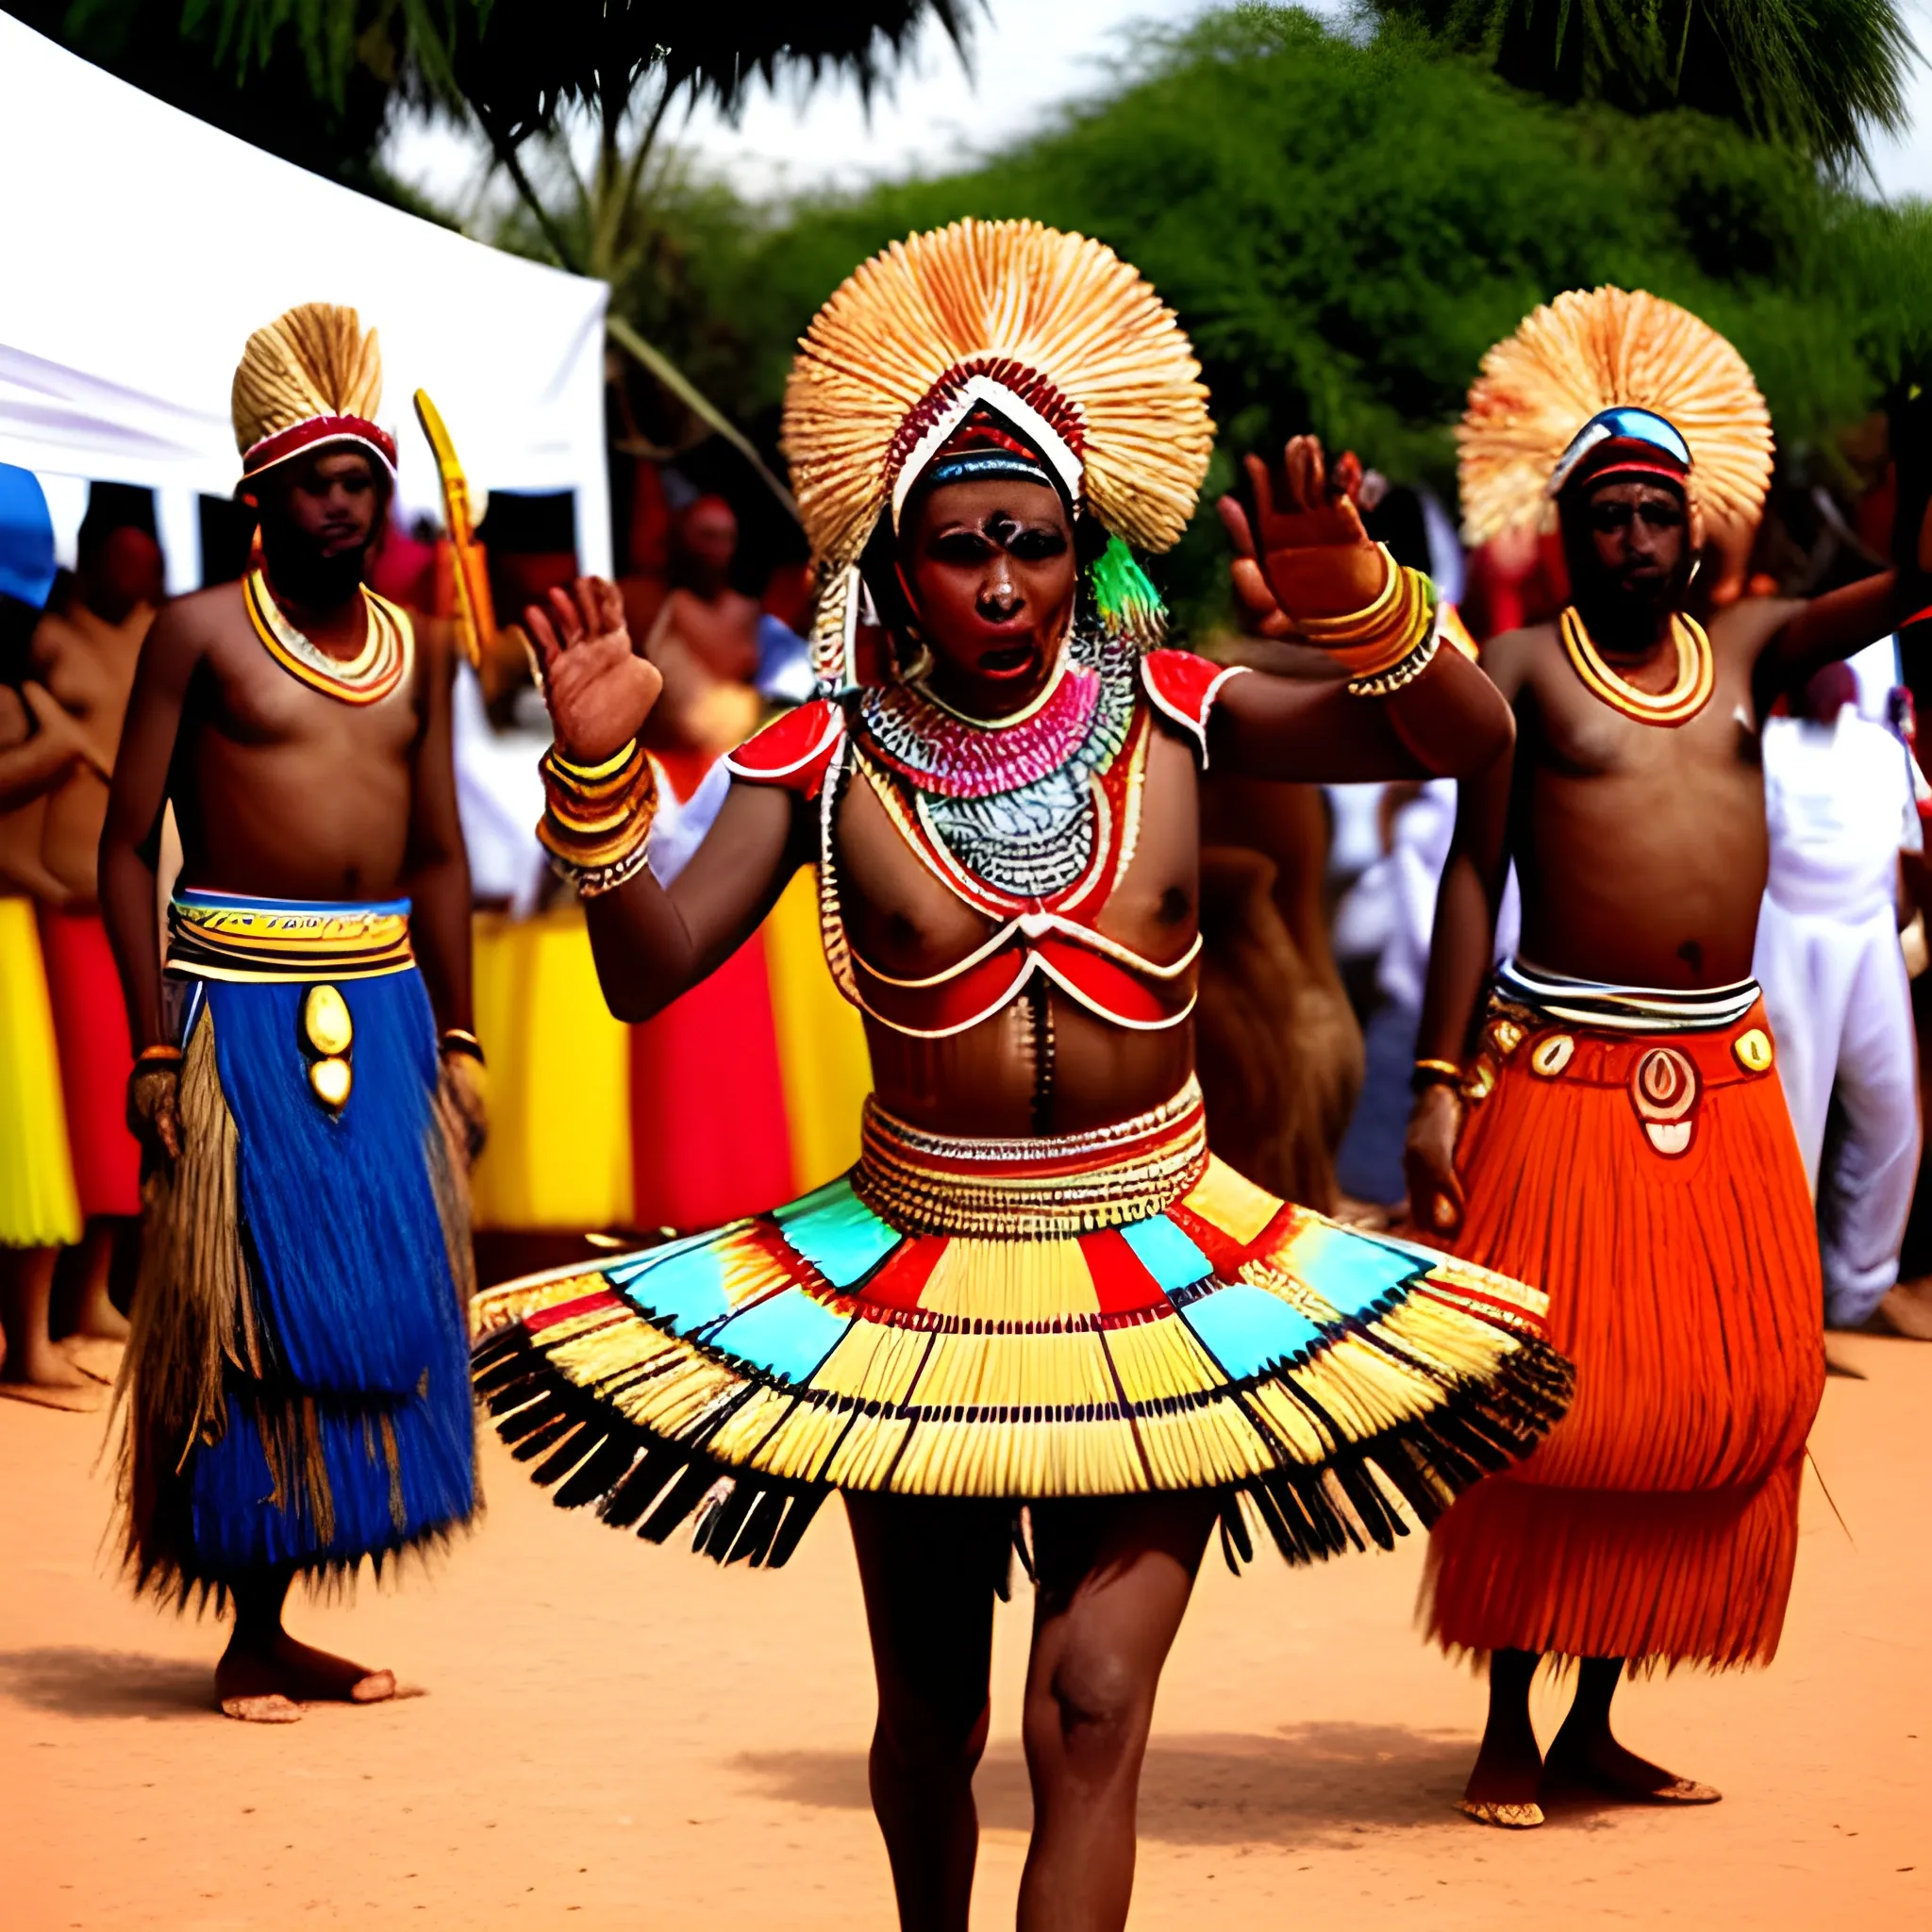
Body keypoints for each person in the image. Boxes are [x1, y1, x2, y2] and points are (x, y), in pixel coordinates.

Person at [473, 219, 1570, 1931]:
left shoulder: (1178, 703)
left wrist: (1359, 602)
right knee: (930, 1716)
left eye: (1034, 546)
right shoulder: (816, 749)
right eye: (960, 548)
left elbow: (1464, 736)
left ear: (1083, 553)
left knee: (1091, 1702)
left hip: (1163, 1263)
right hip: (906, 1284)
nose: (998, 586)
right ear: (890, 564)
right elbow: (648, 969)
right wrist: (601, 776)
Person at [1405, 287, 1932, 1826]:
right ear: (1562, 532)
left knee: (1698, 1403)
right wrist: (1435, 1090)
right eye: (1603, 517)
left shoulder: (1752, 647)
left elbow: (1906, 590)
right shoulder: (1514, 667)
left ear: (1696, 537)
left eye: (1654, 517)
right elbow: (1463, 878)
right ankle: (1504, 1719)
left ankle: (1590, 1719)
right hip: (1556, 1075)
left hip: (1719, 1083)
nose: (1632, 540)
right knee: (1540, 1414)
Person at [98, 303, 481, 1722]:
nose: (347, 506)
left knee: (371, 1310)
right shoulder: (198, 634)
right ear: (259, 498)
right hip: (235, 1014)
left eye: (365, 481)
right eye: (319, 482)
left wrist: (462, 1039)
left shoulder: (423, 649)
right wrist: (153, 1046)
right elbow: (124, 844)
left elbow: (439, 855)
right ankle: (247, 1630)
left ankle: (293, 1618)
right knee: (248, 1315)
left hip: (381, 1012)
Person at [30, 483, 164, 1369]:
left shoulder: (165, 630)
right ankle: (46, 1308)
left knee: (125, 1096)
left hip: (133, 901)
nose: (134, 570)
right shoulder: (48, 637)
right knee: (57, 1106)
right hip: (50, 896)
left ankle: (97, 1296)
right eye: (118, 554)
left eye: (144, 557)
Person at [1754, 658, 1922, 1328]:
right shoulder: (1769, 744)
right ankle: (1775, 1299)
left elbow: (1907, 848)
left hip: (1869, 933)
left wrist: (1903, 928)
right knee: (1792, 1131)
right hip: (1788, 935)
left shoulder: (1883, 749)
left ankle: (1856, 1288)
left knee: (1891, 1113)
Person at [0, 463, 101, 1405]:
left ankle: (29, 1341)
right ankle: (26, 1344)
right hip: (12, 928)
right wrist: (52, 753)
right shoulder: (19, 703)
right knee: (23, 1141)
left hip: (17, 936)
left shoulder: (22, 693)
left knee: (31, 1146)